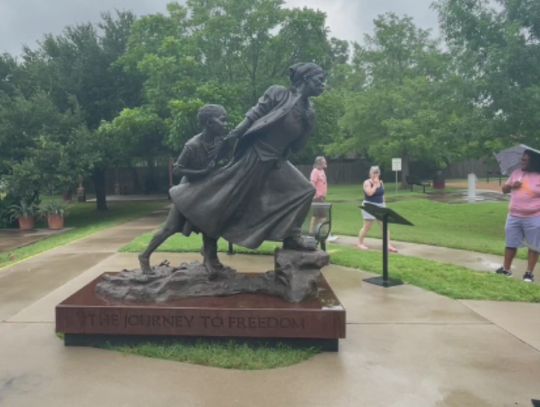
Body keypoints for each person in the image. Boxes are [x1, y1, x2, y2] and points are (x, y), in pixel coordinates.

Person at [169, 62, 325, 260]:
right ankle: (209, 252)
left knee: (305, 190)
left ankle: (291, 237)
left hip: (275, 162)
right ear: (305, 79)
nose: (323, 84)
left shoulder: (308, 110)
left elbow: (296, 148)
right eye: (320, 80)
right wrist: (233, 136)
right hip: (255, 156)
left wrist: (309, 125)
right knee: (227, 203)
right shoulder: (279, 93)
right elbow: (253, 116)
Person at [138, 104, 231, 277]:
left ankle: (209, 258)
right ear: (210, 123)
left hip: (207, 190)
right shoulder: (193, 145)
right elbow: (178, 170)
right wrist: (202, 172)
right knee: (170, 228)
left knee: (211, 226)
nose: (225, 124)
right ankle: (144, 256)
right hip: (188, 192)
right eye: (223, 120)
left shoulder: (219, 141)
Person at [496, 150, 540, 282]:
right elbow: (504, 190)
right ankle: (506, 269)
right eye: (522, 160)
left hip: (534, 216)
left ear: (534, 162)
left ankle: (529, 273)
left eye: (525, 160)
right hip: (514, 216)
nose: (522, 162)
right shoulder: (516, 173)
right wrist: (511, 185)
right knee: (510, 244)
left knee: (533, 246)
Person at [358, 166, 398, 253]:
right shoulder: (367, 182)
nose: (375, 175)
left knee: (384, 226)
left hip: (380, 206)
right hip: (369, 206)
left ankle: (388, 245)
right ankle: (360, 243)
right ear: (370, 174)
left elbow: (382, 194)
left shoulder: (381, 182)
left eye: (377, 173)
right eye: (374, 173)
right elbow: (369, 193)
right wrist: (375, 185)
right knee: (367, 227)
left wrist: (384, 205)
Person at [310, 156, 337, 241]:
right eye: (324, 162)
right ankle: (327, 235)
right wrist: (317, 194)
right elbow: (312, 184)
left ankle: (310, 233)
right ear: (318, 163)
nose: (325, 163)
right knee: (323, 216)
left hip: (321, 197)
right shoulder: (315, 172)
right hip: (317, 198)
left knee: (316, 216)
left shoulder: (322, 171)